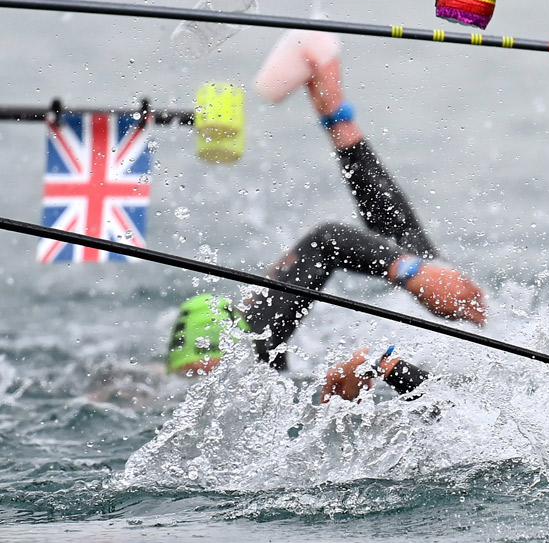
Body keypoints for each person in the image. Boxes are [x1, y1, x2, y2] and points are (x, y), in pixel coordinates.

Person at [165, 27, 487, 396]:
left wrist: (338, 120)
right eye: (198, 371)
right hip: (402, 380)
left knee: (437, 278)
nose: (206, 376)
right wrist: (384, 365)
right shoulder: (255, 378)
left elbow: (342, 245)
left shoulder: (254, 359)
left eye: (205, 367)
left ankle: (336, 115)